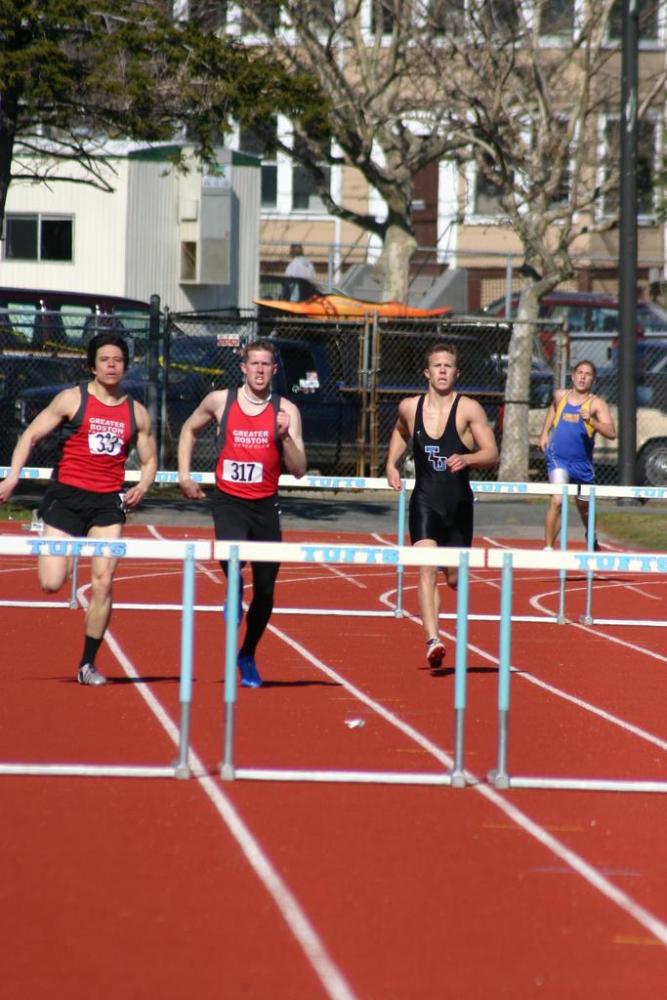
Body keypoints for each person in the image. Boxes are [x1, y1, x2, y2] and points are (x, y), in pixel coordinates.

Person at [0, 333, 157, 686]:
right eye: (105, 360)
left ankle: (87, 664)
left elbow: (149, 460)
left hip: (106, 505)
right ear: (92, 365)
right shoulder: (72, 399)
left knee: (103, 582)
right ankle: (61, 551)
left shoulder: (136, 412)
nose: (112, 365)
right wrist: (11, 479)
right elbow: (30, 437)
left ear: (126, 367)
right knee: (51, 583)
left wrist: (142, 486)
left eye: (118, 360)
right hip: (66, 499)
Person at [177, 338, 307, 688]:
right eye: (255, 364)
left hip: (266, 505)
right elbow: (188, 429)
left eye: (266, 365)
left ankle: (247, 653)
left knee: (265, 591)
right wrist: (185, 476)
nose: (260, 370)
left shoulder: (287, 411)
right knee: (232, 554)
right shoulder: (221, 401)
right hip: (229, 500)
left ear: (274, 370)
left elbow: (299, 470)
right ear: (244, 368)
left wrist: (286, 439)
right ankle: (233, 585)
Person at [386, 342, 498, 669]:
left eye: (448, 366)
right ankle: (433, 639)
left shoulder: (469, 409)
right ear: (427, 372)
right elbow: (400, 431)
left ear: (456, 372)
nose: (443, 371)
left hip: (458, 504)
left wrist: (468, 457)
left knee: (452, 579)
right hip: (424, 500)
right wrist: (392, 464)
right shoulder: (410, 407)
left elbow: (491, 452)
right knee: (425, 567)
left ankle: (443, 616)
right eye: (437, 366)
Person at [538, 359, 616, 550]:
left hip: (582, 464)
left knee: (584, 508)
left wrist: (592, 422)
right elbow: (553, 408)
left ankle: (591, 536)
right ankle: (548, 548)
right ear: (572, 376)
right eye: (579, 372)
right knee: (557, 500)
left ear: (593, 380)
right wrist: (544, 433)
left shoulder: (596, 404)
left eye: (588, 374)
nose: (582, 377)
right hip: (558, 458)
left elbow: (611, 433)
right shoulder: (560, 396)